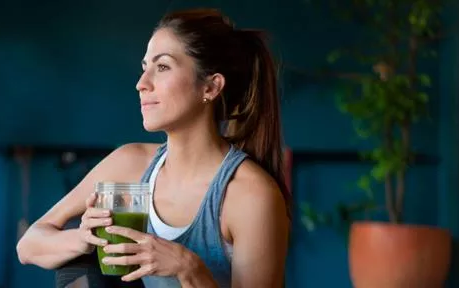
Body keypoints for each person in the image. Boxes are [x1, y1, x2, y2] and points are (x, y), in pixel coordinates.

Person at [17, 8, 291, 288]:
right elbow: (29, 246)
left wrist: (190, 269)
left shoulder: (249, 196)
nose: (141, 84)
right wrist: (85, 238)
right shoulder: (129, 164)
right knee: (81, 267)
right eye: (144, 67)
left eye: (162, 67)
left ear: (210, 87)